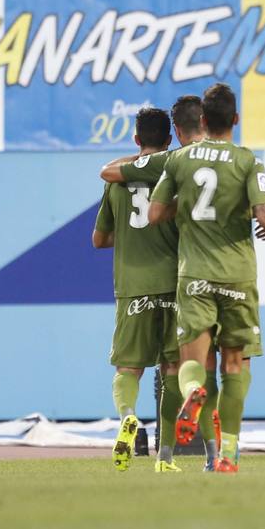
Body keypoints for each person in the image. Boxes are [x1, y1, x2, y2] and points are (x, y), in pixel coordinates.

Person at [150, 83, 265, 475]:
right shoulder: (247, 162)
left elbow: (156, 214)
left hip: (194, 275)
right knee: (235, 366)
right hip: (237, 276)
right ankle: (228, 454)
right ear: (235, 120)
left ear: (204, 121)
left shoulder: (180, 161)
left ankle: (193, 393)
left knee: (197, 363)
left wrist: (185, 206)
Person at [91, 107, 183, 472]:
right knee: (172, 366)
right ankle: (166, 450)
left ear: (135, 140)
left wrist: (131, 236)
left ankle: (129, 417)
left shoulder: (116, 181)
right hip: (174, 283)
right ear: (170, 139)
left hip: (132, 287)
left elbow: (99, 239)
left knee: (128, 368)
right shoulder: (177, 174)